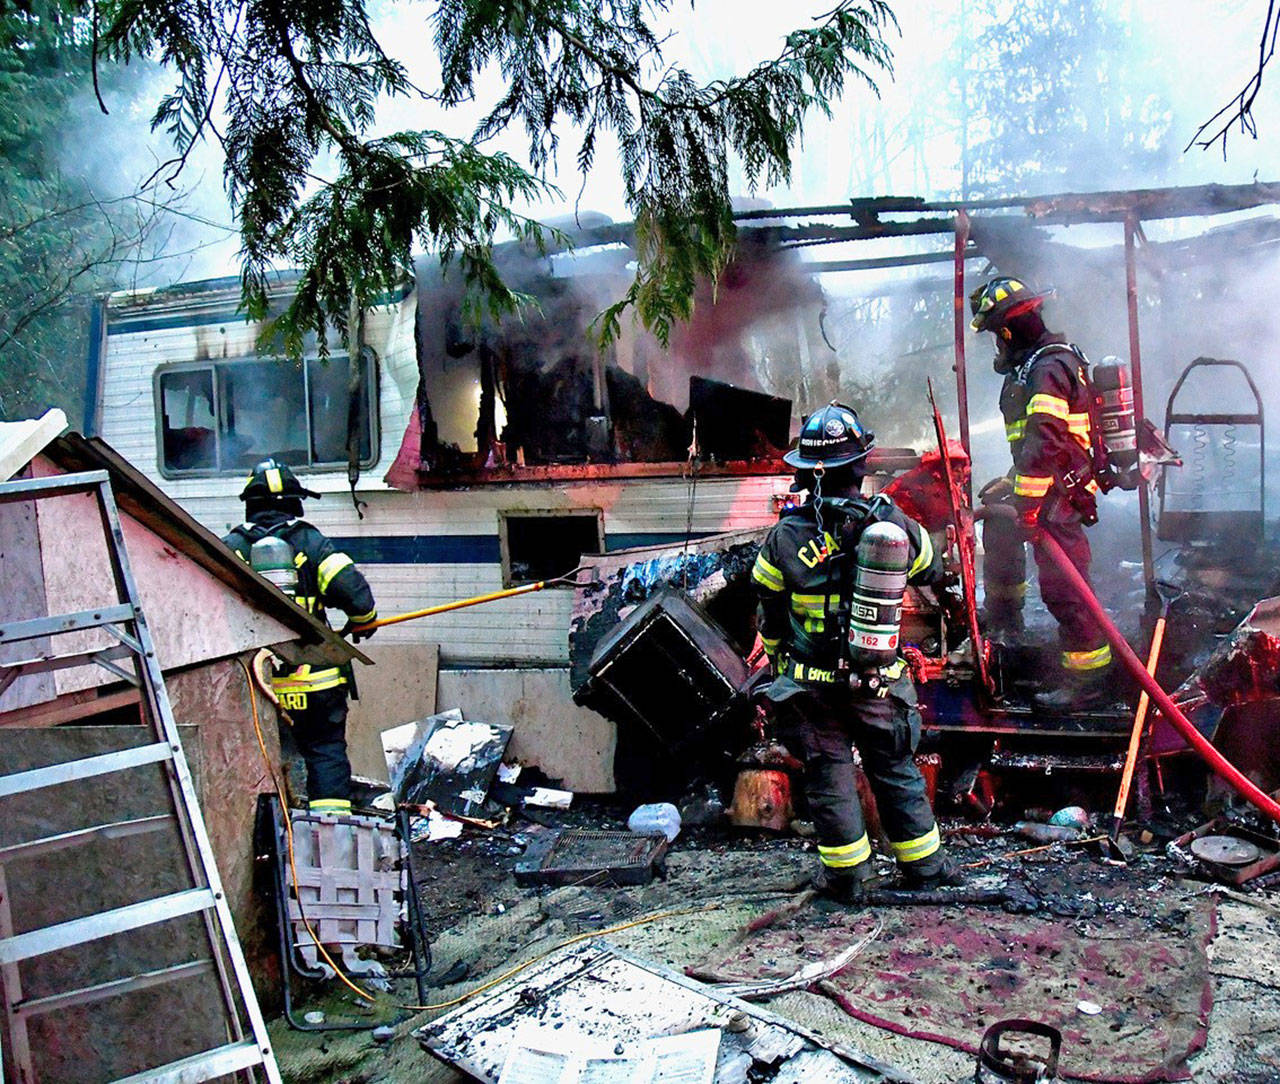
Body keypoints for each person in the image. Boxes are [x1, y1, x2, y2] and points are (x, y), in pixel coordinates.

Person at [752, 402, 959, 902]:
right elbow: (932, 568)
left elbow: (769, 611)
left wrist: (778, 658)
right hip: (877, 680)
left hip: (811, 685)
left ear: (804, 474)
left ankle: (848, 876)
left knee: (829, 775)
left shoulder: (785, 537)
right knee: (895, 768)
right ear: (862, 466)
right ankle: (926, 869)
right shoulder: (889, 522)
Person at [969, 276, 1112, 711]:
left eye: (996, 334)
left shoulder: (1046, 368)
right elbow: (1037, 445)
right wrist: (1011, 483)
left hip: (1059, 496)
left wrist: (1028, 506)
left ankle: (1088, 682)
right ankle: (1004, 622)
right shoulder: (1040, 363)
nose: (997, 344)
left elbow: (1047, 442)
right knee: (998, 522)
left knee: (1065, 588)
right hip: (1049, 487)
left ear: (1007, 330)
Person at [223, 458, 378, 814]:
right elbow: (355, 596)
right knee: (325, 754)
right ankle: (331, 833)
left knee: (261, 758)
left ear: (250, 503)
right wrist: (363, 621)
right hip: (315, 685)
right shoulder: (311, 542)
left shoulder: (231, 548)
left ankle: (273, 835)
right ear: (295, 500)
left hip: (257, 686)